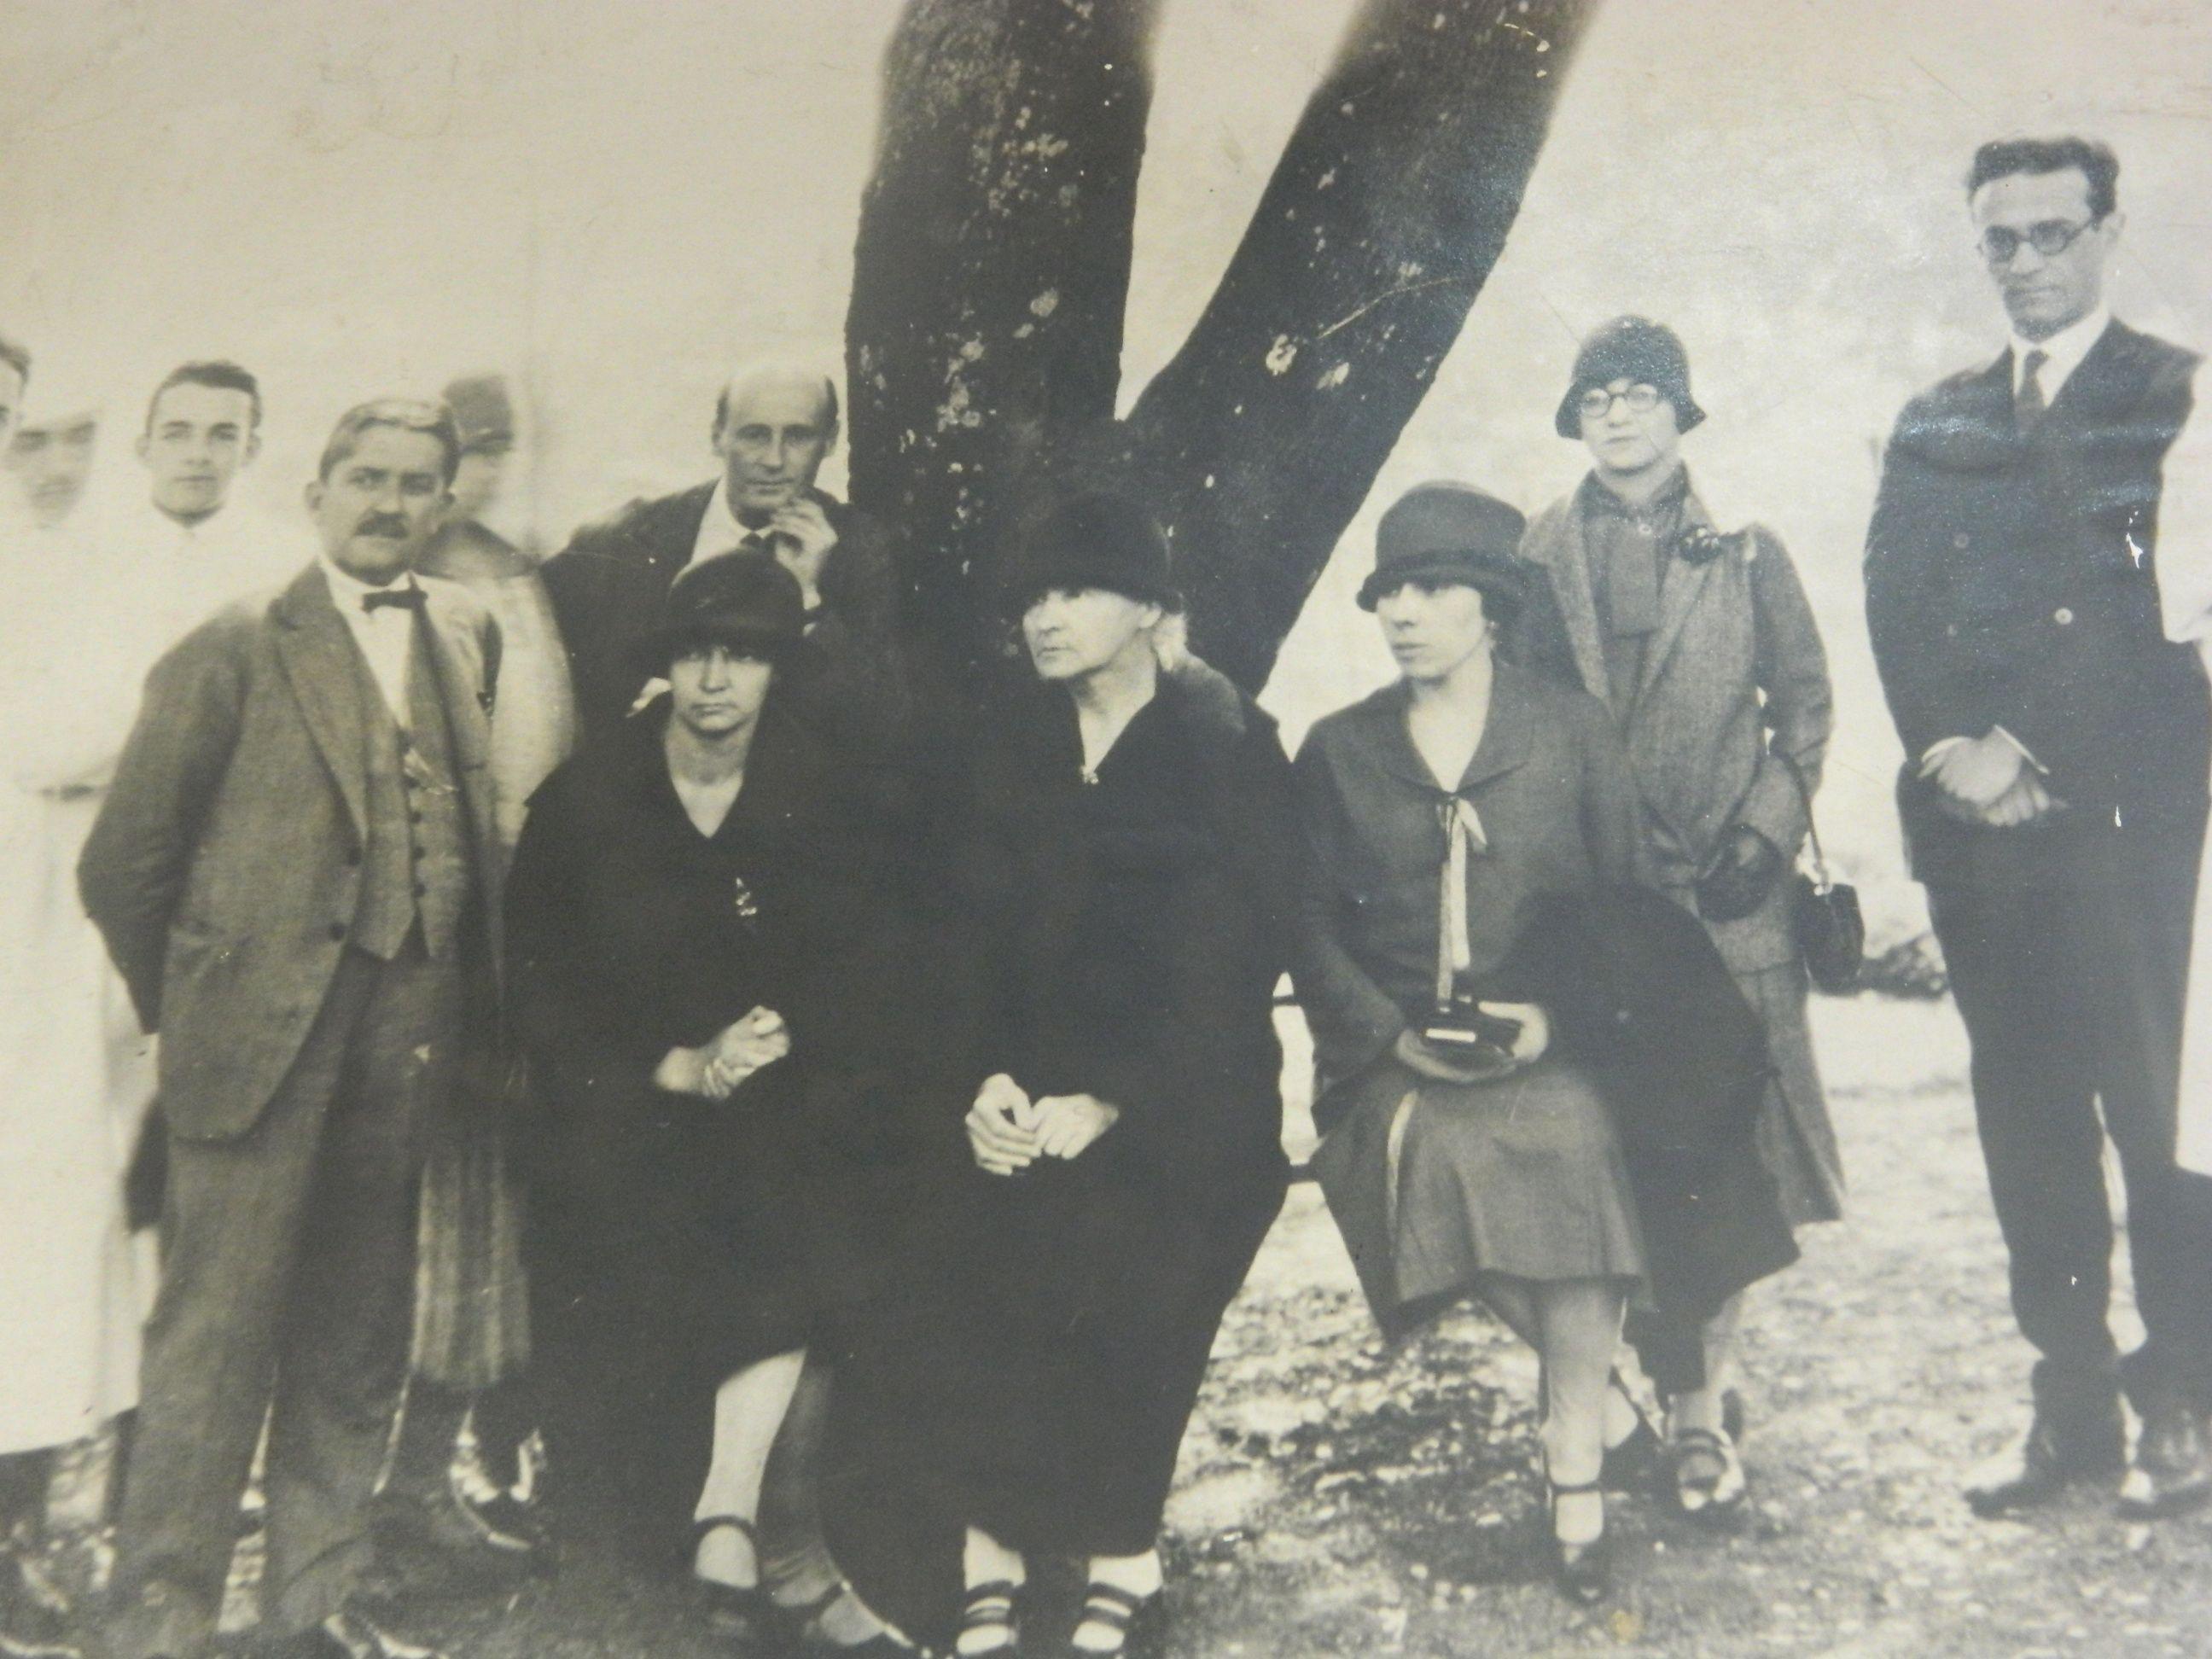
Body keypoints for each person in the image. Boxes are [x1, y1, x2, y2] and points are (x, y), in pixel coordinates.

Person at [79, 398, 506, 1659]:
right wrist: (195, 1002)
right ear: (316, 492)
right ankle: (161, 1613)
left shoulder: (464, 631)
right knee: (214, 1331)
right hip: (257, 1039)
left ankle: (311, 1602)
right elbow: (124, 863)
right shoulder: (235, 641)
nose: (387, 503)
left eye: (414, 483)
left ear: (442, 504)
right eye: (364, 478)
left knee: (358, 1323)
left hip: (411, 1028)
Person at [1865, 135, 2212, 1521]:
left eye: (2051, 233)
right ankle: (2063, 1403)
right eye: (1998, 239)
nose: (2025, 262)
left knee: (2157, 1125)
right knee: (2026, 1123)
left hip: (2133, 832)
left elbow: (2166, 623)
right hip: (1985, 846)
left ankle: (2181, 1398)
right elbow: (1894, 599)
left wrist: (2033, 743)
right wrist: (1950, 748)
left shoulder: (2176, 398)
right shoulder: (1936, 417)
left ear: (2107, 231)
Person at [504, 550, 907, 1654]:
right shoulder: (587, 799)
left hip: (784, 1092)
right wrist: (671, 1064)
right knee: (747, 1209)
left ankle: (738, 1522)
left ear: (779, 673)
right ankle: (775, 1550)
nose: (716, 679)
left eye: (744, 656)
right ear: (667, 668)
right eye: (696, 654)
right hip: (626, 1107)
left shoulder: (831, 794)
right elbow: (536, 985)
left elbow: (872, 962)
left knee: (810, 1186)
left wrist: (776, 1037)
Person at [1296, 482, 1648, 1603]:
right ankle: (1600, 1387)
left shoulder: (1569, 731)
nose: (1404, 613)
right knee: (1442, 1168)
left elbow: (1623, 906)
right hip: (1390, 1061)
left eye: (1433, 589)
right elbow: (1305, 935)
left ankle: (1574, 1470)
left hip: (1544, 1044)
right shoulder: (1340, 749)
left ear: (1491, 606)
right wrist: (1391, 1040)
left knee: (1573, 1145)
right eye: (1390, 591)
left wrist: (1555, 1019)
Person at [1512, 317, 1839, 1518]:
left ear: (1681, 412)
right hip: (1598, 910)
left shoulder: (1747, 554)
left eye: (1642, 392)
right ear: (1575, 417)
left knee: (1728, 1153)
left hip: (1727, 902)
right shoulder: (1534, 554)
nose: (1617, 414)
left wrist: (1761, 832)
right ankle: (1601, 1391)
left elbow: (1803, 707)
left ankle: (1702, 1414)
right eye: (1595, 394)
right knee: (1605, 1151)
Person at [391, 372, 573, 1560]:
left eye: (510, 446)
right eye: (474, 451)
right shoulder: (437, 582)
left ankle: (478, 1463)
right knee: (439, 1217)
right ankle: (402, 1483)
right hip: (460, 941)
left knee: (509, 1213)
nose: (491, 469)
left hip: (544, 925)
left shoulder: (528, 568)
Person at [0, 329, 131, 1659]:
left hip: (27, 954)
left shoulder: (45, 570)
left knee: (35, 1235)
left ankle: (27, 1534)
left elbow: (78, 728)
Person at [540, 360, 909, 761]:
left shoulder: (859, 548)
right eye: (754, 435)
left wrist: (807, 597)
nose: (773, 460)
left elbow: (878, 724)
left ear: (831, 442)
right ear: (718, 437)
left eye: (798, 437)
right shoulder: (626, 537)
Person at [102, 360, 293, 622]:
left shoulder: (289, 562)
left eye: (223, 436)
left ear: (250, 451)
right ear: (145, 449)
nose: (198, 455)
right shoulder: (94, 551)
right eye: (177, 435)